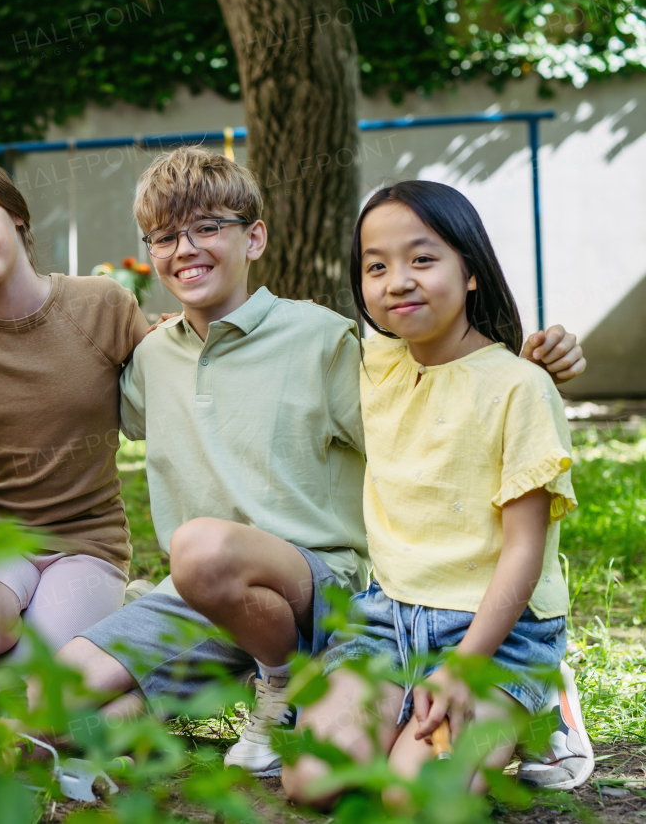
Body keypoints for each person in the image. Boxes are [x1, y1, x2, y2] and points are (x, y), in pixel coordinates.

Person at [47, 147, 585, 778]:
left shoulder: (327, 340)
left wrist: (528, 367)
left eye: (207, 228)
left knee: (202, 549)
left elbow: (440, 405)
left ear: (255, 238)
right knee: (46, 710)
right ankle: (151, 707)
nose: (185, 248)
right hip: (210, 595)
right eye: (165, 237)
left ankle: (284, 690)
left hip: (317, 590)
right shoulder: (152, 358)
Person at [282, 181, 588, 805]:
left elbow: (525, 551)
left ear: (471, 271)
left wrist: (463, 665)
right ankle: (400, 714)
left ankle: (538, 698)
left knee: (412, 800)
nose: (398, 281)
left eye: (423, 259)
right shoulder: (372, 364)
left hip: (499, 633)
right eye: (376, 266)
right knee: (310, 781)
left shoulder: (520, 388)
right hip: (385, 620)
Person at [0, 147, 150, 666]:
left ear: (13, 211)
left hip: (88, 540)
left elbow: (174, 364)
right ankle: (55, 625)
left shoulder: (104, 305)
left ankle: (120, 612)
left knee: (32, 718)